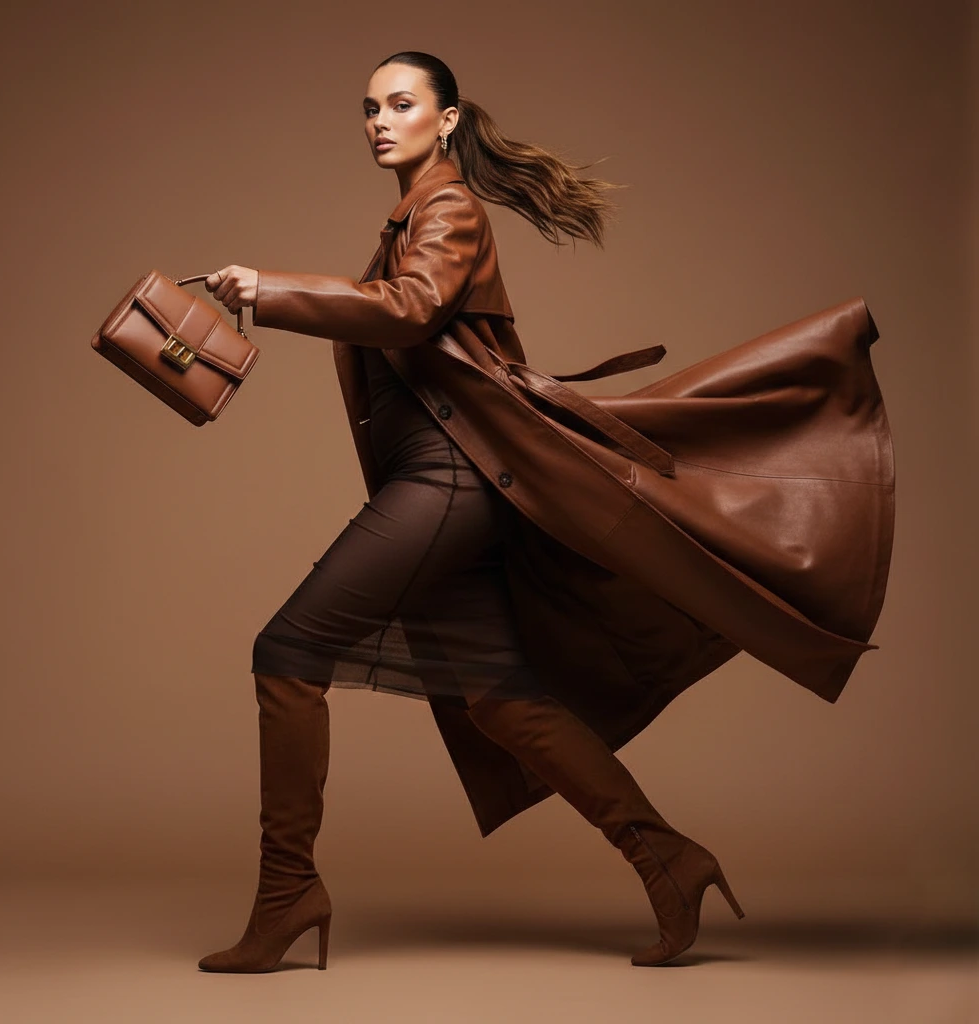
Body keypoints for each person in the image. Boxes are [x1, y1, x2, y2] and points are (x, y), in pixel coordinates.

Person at [194, 50, 753, 974]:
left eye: (402, 103)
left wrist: (271, 289)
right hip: (445, 482)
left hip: (446, 481)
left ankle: (289, 890)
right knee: (501, 699)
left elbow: (410, 310)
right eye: (370, 107)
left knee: (287, 652)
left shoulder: (448, 210)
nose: (380, 120)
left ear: (447, 120)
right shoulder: (409, 218)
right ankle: (670, 858)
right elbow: (397, 309)